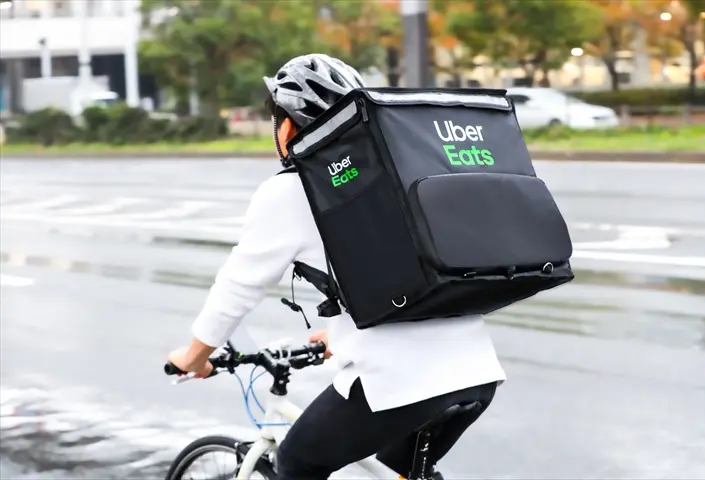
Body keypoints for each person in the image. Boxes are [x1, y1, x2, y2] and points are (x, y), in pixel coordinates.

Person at [166, 53, 506, 480]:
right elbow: (397, 271)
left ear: (286, 127)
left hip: (399, 382)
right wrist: (344, 329)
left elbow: (238, 286)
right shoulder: (393, 174)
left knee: (296, 462)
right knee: (397, 472)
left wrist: (195, 356)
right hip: (474, 370)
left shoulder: (292, 190)